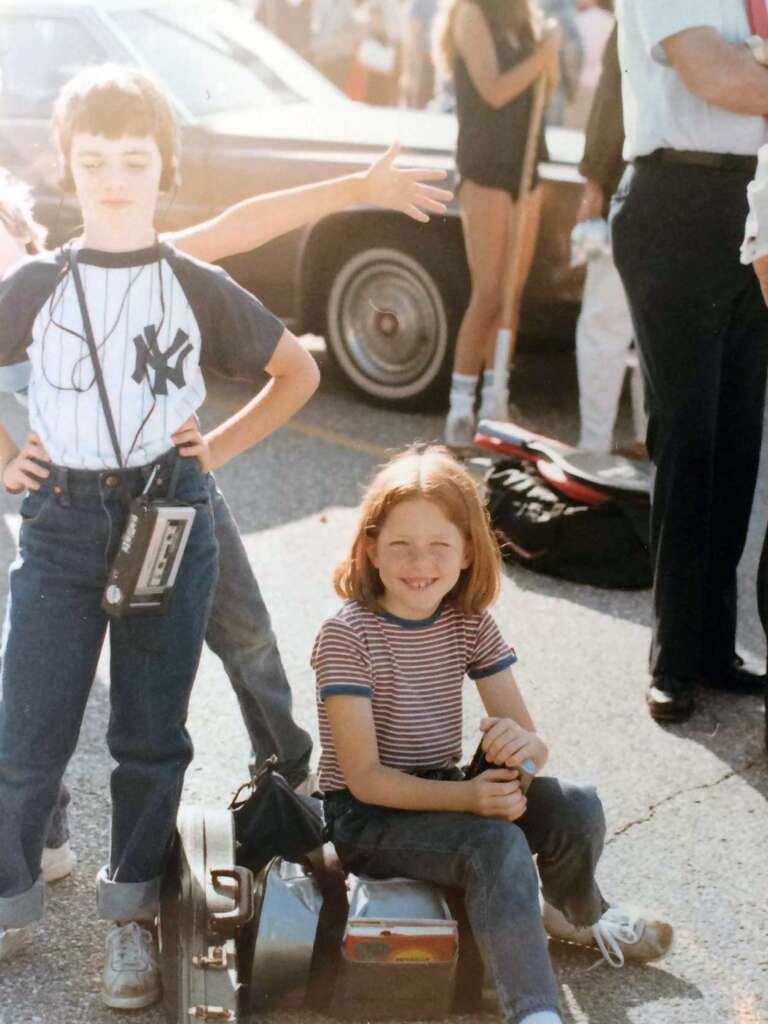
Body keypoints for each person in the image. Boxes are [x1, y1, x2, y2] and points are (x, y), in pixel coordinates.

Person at [0, 150, 452, 880]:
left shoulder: (111, 262)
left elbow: (238, 229)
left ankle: (294, 775)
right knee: (33, 686)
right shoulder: (25, 298)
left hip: (174, 493)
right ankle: (45, 840)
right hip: (72, 502)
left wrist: (355, 188)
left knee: (244, 634)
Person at [0, 63, 322, 1008]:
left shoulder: (193, 281)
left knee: (149, 734)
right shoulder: (35, 282)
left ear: (162, 168)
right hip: (61, 525)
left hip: (168, 517)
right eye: (93, 159)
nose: (111, 178)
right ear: (66, 164)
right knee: (30, 730)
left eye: (133, 160)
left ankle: (131, 919)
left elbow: (295, 370)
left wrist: (211, 449)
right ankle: (11, 893)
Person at [313, 445, 673, 1024]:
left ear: (466, 553)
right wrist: (470, 798)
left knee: (576, 805)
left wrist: (519, 753)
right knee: (496, 844)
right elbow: (365, 779)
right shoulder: (347, 635)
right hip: (366, 817)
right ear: (372, 548)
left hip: (444, 788)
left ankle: (575, 916)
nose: (419, 562)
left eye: (440, 546)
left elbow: (533, 742)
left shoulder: (467, 620)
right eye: (401, 545)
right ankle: (533, 1011)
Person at [611, 1, 768, 723]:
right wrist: (748, 68)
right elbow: (715, 75)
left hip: (754, 199)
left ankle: (714, 649)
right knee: (687, 439)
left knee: (737, 440)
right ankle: (673, 659)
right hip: (678, 200)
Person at [433, 0, 560, 448]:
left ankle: (496, 402)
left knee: (511, 293)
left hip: (526, 165)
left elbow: (548, 83)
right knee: (488, 292)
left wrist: (550, 53)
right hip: (486, 163)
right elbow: (493, 89)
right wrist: (541, 56)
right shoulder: (471, 12)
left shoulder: (526, 17)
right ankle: (461, 407)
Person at [573, 24, 646, 456]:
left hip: (629, 184)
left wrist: (595, 181)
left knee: (604, 326)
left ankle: (594, 447)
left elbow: (610, 103)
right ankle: (649, 440)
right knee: (656, 331)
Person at [563, 0, 613, 130]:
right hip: (600, 85)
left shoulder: (581, 21)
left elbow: (584, 55)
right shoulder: (610, 20)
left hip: (582, 86)